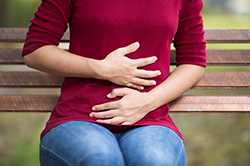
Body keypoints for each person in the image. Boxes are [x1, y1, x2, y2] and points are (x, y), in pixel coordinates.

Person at [22, 0, 207, 165]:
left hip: (150, 118)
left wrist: (148, 101)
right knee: (100, 158)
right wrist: (100, 69)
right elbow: (36, 51)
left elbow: (193, 62)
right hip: (78, 116)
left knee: (153, 160)